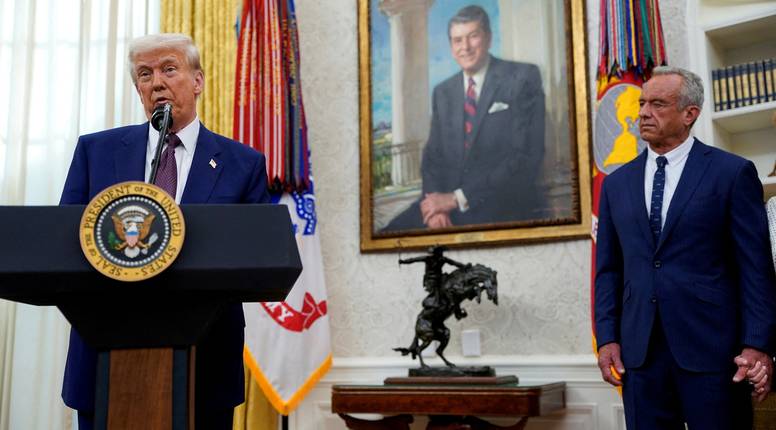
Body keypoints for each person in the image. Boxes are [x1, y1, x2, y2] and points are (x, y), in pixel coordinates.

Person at [59, 33, 269, 429]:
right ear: (138, 88)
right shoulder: (96, 152)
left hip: (205, 362)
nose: (157, 82)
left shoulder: (243, 164)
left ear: (198, 81)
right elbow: (64, 245)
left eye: (169, 69)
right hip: (105, 358)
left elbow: (258, 256)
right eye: (145, 74)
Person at [594, 66, 776, 428]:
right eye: (642, 103)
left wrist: (757, 344)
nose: (643, 113)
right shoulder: (616, 184)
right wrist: (607, 338)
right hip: (639, 356)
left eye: (658, 104)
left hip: (714, 351)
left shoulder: (731, 173)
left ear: (689, 113)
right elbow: (609, 271)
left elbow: (755, 268)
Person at [383, 5, 545, 232]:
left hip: (499, 204)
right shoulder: (443, 92)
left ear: (488, 38)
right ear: (451, 47)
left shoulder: (521, 78)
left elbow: (524, 157)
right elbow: (432, 158)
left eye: (473, 36)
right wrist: (436, 209)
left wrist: (456, 199)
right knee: (387, 236)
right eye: (457, 40)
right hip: (446, 207)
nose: (465, 47)